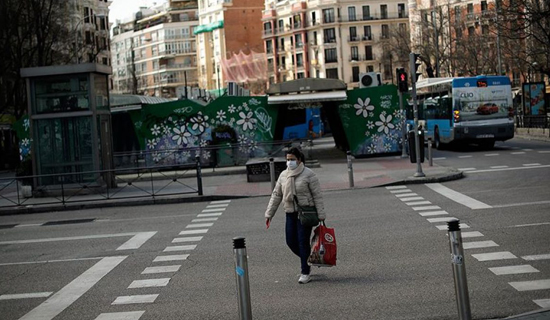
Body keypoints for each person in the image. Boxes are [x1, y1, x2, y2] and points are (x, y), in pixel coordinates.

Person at [265, 147, 325, 284]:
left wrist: (321, 214)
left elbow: (317, 196)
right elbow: (276, 195)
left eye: (292, 159)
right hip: (290, 213)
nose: (289, 162)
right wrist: (269, 214)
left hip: (305, 213)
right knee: (290, 242)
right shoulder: (283, 175)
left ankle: (305, 271)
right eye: (287, 159)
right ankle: (309, 259)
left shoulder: (309, 174)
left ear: (299, 160)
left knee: (302, 242)